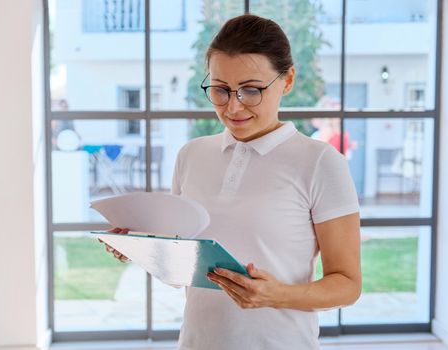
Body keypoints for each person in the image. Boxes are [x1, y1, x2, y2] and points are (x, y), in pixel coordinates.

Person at [102, 14, 361, 350]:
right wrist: (141, 246)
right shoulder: (191, 156)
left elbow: (348, 285)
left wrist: (277, 295)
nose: (233, 106)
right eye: (221, 90)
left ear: (288, 80)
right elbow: (184, 267)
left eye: (251, 90)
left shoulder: (321, 162)